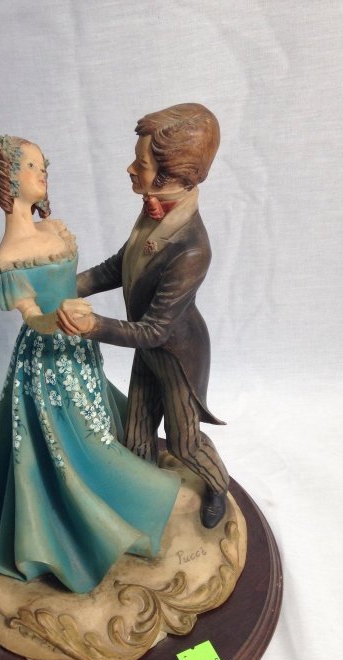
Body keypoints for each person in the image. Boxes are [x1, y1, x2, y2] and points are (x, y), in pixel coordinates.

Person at [0, 134, 180, 594]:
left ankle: (108, 498)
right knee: (71, 441)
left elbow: (75, 281)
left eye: (43, 166)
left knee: (96, 420)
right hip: (48, 360)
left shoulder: (54, 230)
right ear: (9, 177)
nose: (42, 174)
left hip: (79, 345)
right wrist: (56, 318)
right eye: (32, 167)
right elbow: (32, 316)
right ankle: (83, 525)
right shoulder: (10, 257)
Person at [57, 104, 229, 529]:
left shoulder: (192, 248)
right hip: (147, 349)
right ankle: (144, 502)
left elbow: (154, 330)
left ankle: (218, 487)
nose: (131, 169)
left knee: (184, 444)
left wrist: (92, 326)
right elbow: (121, 265)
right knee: (136, 437)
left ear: (172, 175)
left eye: (142, 163)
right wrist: (69, 286)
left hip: (175, 357)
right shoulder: (154, 211)